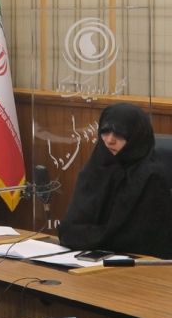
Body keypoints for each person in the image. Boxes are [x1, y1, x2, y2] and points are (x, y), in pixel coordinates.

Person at [58, 103, 172, 258]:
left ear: (136, 136)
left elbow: (139, 240)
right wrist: (94, 238)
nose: (110, 140)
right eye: (105, 132)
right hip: (85, 259)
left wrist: (86, 237)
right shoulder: (95, 168)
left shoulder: (152, 177)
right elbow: (68, 229)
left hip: (136, 263)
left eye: (119, 134)